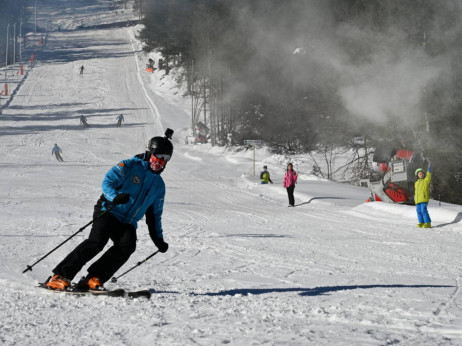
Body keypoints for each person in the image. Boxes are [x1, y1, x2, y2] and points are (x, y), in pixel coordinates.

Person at [45, 129, 175, 291]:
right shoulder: (129, 165)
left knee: (127, 246)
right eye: (159, 156)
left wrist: (158, 240)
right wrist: (115, 197)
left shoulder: (159, 186)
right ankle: (60, 275)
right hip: (108, 210)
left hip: (127, 221)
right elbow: (108, 182)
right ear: (150, 152)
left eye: (166, 158)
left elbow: (154, 216)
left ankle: (93, 278)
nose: (161, 161)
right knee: (96, 242)